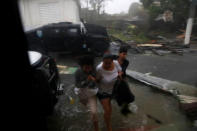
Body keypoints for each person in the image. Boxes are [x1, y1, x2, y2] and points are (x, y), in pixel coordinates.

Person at [96, 53, 123, 131]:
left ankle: (106, 119)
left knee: (109, 110)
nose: (107, 65)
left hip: (113, 90)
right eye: (105, 63)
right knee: (108, 111)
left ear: (112, 61)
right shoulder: (99, 69)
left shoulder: (116, 63)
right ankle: (109, 127)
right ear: (102, 61)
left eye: (109, 63)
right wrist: (98, 79)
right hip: (102, 91)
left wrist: (120, 75)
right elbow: (96, 81)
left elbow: (120, 71)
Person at [74, 55, 99, 131]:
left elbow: (98, 82)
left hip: (92, 91)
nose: (88, 70)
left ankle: (96, 129)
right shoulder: (78, 72)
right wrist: (86, 81)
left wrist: (95, 80)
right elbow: (77, 85)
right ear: (82, 66)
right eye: (86, 68)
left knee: (94, 112)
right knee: (84, 104)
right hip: (82, 90)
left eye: (90, 67)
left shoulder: (95, 70)